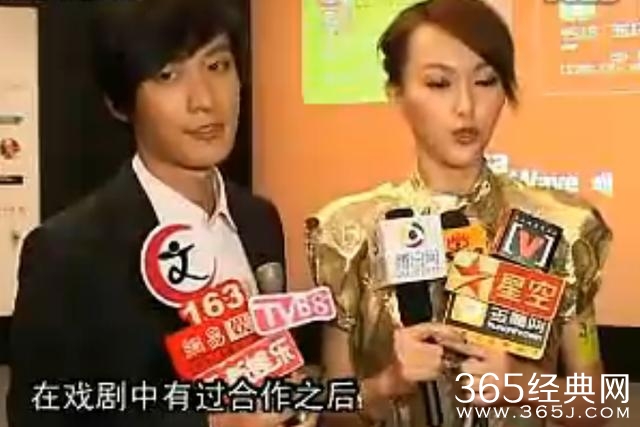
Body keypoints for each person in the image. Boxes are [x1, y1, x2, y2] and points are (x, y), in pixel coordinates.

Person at [305, 1, 613, 427]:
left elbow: (601, 406)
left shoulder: (564, 226)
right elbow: (330, 417)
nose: (466, 106)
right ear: (396, 93)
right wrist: (388, 383)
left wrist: (523, 384)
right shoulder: (349, 232)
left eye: (486, 81)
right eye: (438, 83)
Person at [7, 1, 314, 427]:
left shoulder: (258, 220)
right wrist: (213, 422)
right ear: (120, 103)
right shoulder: (67, 253)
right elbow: (40, 412)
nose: (204, 100)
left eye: (218, 66)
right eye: (168, 75)